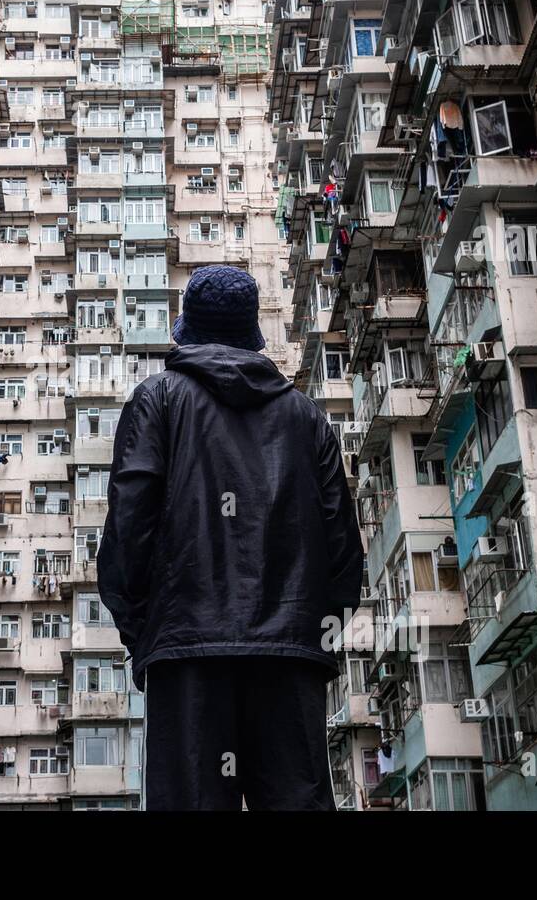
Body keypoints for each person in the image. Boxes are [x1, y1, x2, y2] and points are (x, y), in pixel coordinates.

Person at [97, 265, 364, 811]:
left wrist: (144, 630)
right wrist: (311, 634)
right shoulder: (306, 416)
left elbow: (129, 529)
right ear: (251, 334)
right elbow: (343, 552)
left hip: (187, 649)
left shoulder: (157, 400)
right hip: (289, 658)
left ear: (187, 328)